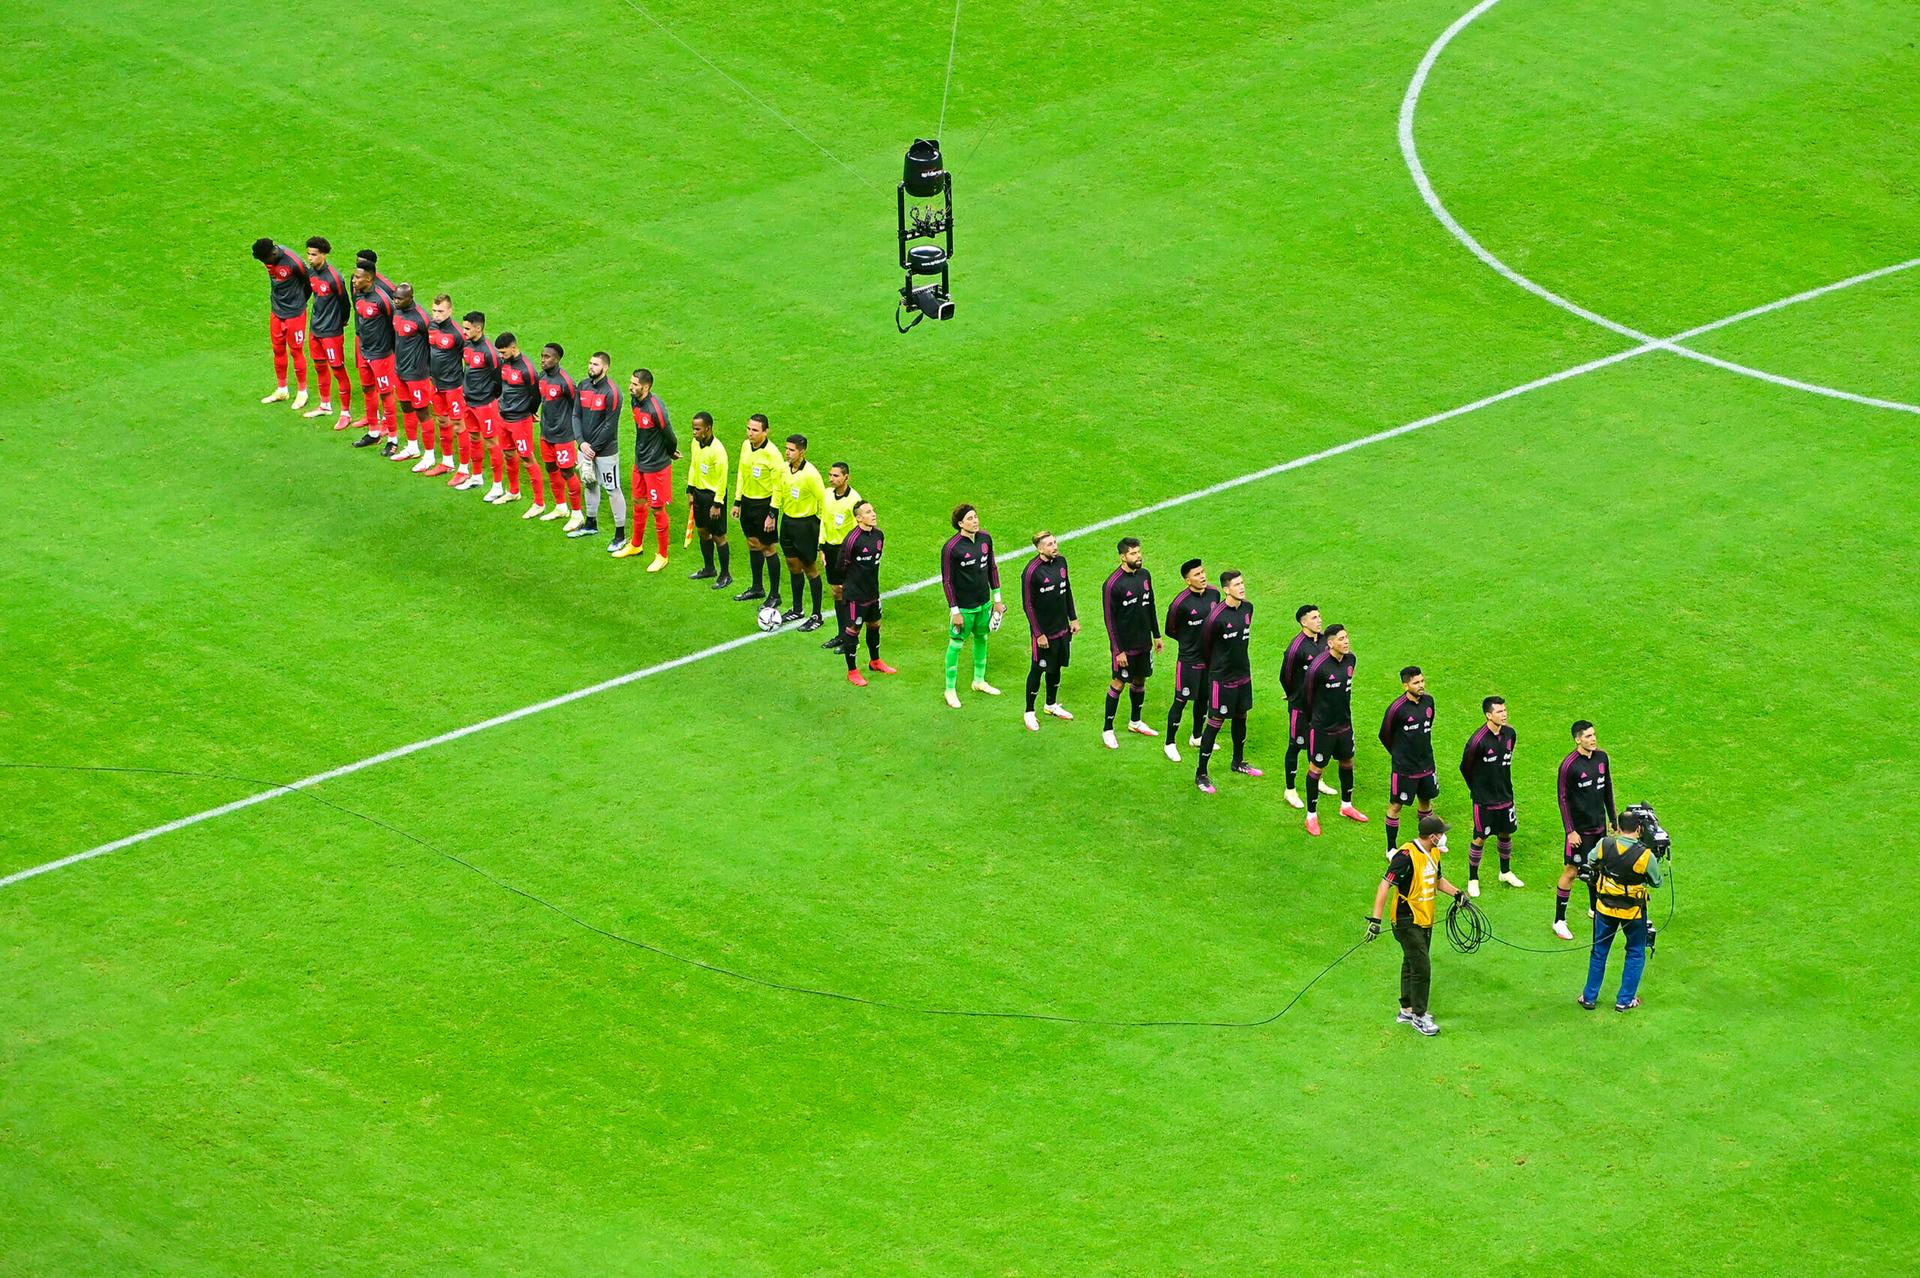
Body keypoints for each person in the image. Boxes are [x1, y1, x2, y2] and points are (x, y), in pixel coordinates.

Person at [1366, 814, 1468, 1037]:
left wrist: (1457, 894)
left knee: (1411, 962)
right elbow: (1384, 885)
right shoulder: (1405, 856)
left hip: (1424, 918)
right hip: (1406, 920)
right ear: (1432, 836)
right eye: (1441, 833)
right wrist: (1375, 920)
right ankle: (1419, 1017)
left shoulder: (1434, 853)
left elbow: (1437, 880)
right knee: (1422, 967)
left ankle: (1407, 1009)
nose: (1443, 837)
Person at [1578, 808, 1661, 1012]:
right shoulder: (1645, 855)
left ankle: (1589, 997)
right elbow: (1657, 882)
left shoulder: (1605, 844)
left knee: (1599, 952)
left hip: (1605, 908)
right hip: (1633, 912)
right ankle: (1624, 1000)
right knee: (1635, 953)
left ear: (1618, 828)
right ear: (1639, 829)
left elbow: (1591, 860)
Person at [1194, 570, 1259, 793]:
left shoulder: (1248, 609)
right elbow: (1205, 648)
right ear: (1226, 589)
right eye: (1237, 584)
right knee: (1215, 721)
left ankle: (1238, 762)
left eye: (1242, 583)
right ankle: (1201, 774)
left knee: (1242, 716)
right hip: (1222, 679)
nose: (1242, 587)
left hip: (1243, 675)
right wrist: (1217, 669)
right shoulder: (1215, 618)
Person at [1301, 624, 1368, 835]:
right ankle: (1311, 816)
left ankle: (1346, 806)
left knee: (1347, 762)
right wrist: (1316, 721)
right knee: (1316, 769)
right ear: (1330, 643)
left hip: (1344, 725)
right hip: (1322, 728)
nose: (1346, 642)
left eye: (1346, 637)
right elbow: (1306, 698)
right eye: (1341, 639)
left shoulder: (1351, 660)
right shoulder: (1318, 667)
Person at [1553, 720, 1616, 940]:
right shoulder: (1569, 765)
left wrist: (1613, 819)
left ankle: (1594, 909)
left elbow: (1607, 789)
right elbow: (1562, 798)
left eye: (1594, 734)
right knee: (1571, 871)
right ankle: (1559, 921)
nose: (1593, 739)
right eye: (1588, 736)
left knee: (1597, 868)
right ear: (1578, 739)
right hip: (1579, 831)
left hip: (1599, 827)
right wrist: (1570, 831)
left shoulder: (1602, 758)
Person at [1099, 536, 1161, 749]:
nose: (1138, 556)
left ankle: (1135, 722)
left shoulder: (1145, 575)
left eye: (1139, 552)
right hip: (1124, 647)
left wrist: (1156, 635)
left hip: (1144, 643)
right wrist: (1118, 651)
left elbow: (1150, 605)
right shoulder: (1112, 584)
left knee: (1140, 680)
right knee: (1118, 683)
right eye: (1133, 553)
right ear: (1123, 557)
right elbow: (1109, 620)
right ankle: (1108, 729)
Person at [940, 504, 1004, 708]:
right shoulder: (951, 548)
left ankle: (979, 680)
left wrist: (997, 600)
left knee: (982, 638)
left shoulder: (985, 538)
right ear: (960, 523)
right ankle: (950, 689)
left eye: (975, 517)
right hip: (964, 608)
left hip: (984, 603)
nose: (975, 521)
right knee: (956, 644)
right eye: (970, 518)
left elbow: (992, 568)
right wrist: (955, 611)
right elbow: (947, 581)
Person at [1459, 696, 1524, 895]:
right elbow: (1465, 768)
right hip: (1484, 800)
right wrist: (1478, 789)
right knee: (1480, 837)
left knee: (1506, 833)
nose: (1504, 714)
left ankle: (1505, 872)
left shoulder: (1510, 734)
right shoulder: (1477, 741)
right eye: (1499, 711)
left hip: (1505, 796)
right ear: (1488, 715)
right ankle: (1473, 878)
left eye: (1505, 710)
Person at [615, 369, 677, 568]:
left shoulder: (655, 409)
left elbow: (670, 436)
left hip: (656, 467)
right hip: (640, 462)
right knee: (638, 502)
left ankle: (663, 555)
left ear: (646, 387)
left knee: (657, 509)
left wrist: (669, 452)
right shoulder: (635, 401)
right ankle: (636, 545)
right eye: (631, 383)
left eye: (635, 384)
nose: (630, 387)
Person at [1019, 530, 1079, 730]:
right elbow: (1028, 605)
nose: (1055, 547)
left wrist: (1073, 618)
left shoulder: (1061, 562)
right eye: (1050, 544)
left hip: (1062, 628)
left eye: (1055, 542)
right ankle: (1029, 712)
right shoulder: (1031, 571)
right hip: (1044, 632)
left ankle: (1051, 705)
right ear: (1039, 549)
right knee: (1038, 669)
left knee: (1057, 666)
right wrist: (1038, 634)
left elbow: (1066, 589)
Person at [1162, 559, 1221, 762]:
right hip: (1188, 660)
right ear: (1188, 580)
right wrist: (1189, 642)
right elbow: (1170, 630)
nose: (1202, 576)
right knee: (1181, 700)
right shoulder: (1180, 603)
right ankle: (1169, 743)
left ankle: (1197, 736)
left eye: (1202, 572)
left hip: (1209, 659)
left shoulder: (1214, 593)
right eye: (1197, 574)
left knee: (1204, 698)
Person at [1379, 666, 1439, 854]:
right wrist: (1399, 754)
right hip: (1405, 769)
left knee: (1426, 803)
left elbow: (1428, 726)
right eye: (1416, 683)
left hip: (1426, 764)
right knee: (1396, 806)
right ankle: (1391, 848)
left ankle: (1427, 843)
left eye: (1422, 681)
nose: (1421, 685)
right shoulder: (1397, 709)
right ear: (1406, 686)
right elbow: (1385, 735)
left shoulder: (1429, 702)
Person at [1280, 604, 1335, 809]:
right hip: (1301, 707)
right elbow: (1285, 676)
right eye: (1314, 618)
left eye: (1319, 616)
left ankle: (1318, 780)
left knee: (1318, 743)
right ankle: (1290, 790)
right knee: (1296, 745)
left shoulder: (1325, 641)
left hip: (1321, 706)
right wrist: (1294, 695)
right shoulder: (1296, 647)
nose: (1319, 620)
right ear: (1303, 622)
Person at [571, 353, 627, 549]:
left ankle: (620, 535)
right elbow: (576, 415)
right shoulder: (583, 385)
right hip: (585, 448)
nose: (591, 367)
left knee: (612, 489)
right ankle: (590, 524)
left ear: (606, 368)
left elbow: (610, 426)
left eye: (596, 364)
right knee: (589, 483)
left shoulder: (612, 392)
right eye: (590, 363)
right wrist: (581, 442)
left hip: (605, 452)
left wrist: (593, 448)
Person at [772, 434, 827, 628]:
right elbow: (778, 489)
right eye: (786, 449)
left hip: (806, 526)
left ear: (802, 452)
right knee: (793, 565)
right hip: (787, 522)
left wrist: (821, 528)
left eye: (792, 450)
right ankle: (797, 610)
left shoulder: (811, 474)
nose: (787, 453)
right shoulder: (784, 469)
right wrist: (772, 512)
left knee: (810, 568)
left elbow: (824, 501)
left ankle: (817, 615)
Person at [838, 501, 896, 685]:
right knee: (853, 630)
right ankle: (852, 671)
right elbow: (841, 565)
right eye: (868, 512)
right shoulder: (852, 540)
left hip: (873, 592)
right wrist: (848, 586)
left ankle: (875, 661)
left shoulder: (879, 535)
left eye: (873, 511)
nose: (873, 514)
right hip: (855, 595)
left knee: (875, 624)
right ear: (858, 518)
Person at [250, 237, 311, 410]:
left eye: (265, 260)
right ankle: (282, 389)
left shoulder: (294, 262)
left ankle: (302, 392)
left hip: (295, 314)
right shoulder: (268, 259)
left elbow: (308, 283)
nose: (265, 264)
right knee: (278, 349)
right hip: (276, 311)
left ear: (273, 253)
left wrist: (299, 303)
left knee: (296, 351)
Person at [729, 414, 783, 602]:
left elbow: (778, 486)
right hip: (747, 502)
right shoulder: (746, 446)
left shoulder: (773, 454)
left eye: (755, 430)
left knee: (768, 548)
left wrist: (772, 514)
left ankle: (775, 594)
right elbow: (741, 474)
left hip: (764, 505)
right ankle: (757, 588)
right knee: (752, 543)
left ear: (766, 432)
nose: (750, 433)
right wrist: (737, 501)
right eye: (748, 429)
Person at [493, 333, 548, 513]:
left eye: (503, 352)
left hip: (519, 421)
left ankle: (539, 503)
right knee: (508, 454)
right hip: (503, 418)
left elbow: (536, 395)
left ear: (514, 348)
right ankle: (513, 491)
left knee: (527, 458)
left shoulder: (527, 369)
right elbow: (500, 386)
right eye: (499, 352)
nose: (500, 355)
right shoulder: (503, 363)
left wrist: (530, 412)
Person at [301, 237, 351, 428]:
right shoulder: (311, 273)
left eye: (314, 255)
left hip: (331, 332)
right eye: (308, 254)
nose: (310, 258)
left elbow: (345, 303)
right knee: (320, 366)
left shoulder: (334, 278)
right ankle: (325, 405)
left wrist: (341, 322)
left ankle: (345, 413)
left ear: (324, 255)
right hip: (315, 329)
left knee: (338, 369)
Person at [348, 262, 397, 451]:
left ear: (369, 278)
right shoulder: (358, 294)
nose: (354, 280)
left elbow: (394, 324)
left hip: (381, 355)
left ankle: (392, 438)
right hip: (364, 352)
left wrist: (391, 350)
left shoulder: (382, 299)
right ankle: (373, 433)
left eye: (357, 277)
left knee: (386, 394)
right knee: (367, 390)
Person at [536, 343, 584, 530]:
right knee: (550, 468)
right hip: (546, 433)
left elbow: (577, 408)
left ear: (557, 359)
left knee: (567, 472)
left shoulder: (566, 382)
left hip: (563, 435)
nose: (543, 360)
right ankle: (560, 507)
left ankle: (577, 514)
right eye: (542, 356)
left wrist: (578, 434)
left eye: (547, 357)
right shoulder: (542, 377)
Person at [457, 311, 504, 495]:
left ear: (478, 328)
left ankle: (498, 486)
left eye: (467, 328)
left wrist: (489, 397)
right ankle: (476, 477)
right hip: (469, 402)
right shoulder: (467, 345)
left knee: (491, 442)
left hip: (485, 405)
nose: (464, 331)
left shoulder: (489, 352)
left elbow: (499, 379)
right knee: (474, 438)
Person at [387, 283, 434, 466]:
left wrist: (429, 370)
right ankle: (412, 446)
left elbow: (433, 345)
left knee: (422, 412)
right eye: (395, 297)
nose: (395, 301)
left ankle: (429, 455)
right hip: (400, 371)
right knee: (406, 407)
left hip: (417, 374)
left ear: (410, 298)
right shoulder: (397, 312)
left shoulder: (422, 318)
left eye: (400, 298)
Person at [684, 412, 731, 586]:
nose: (694, 432)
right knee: (702, 531)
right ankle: (709, 568)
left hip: (713, 497)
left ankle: (725, 575)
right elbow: (694, 466)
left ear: (708, 429)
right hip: (698, 494)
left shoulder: (718, 451)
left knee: (718, 536)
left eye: (697, 429)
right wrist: (690, 490)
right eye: (693, 428)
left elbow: (722, 480)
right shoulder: (695, 444)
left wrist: (717, 504)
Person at [422, 293, 464, 478]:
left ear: (450, 311)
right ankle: (447, 462)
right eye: (434, 310)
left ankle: (464, 469)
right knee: (442, 421)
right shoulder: (431, 327)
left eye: (440, 311)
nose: (436, 315)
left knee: (459, 425)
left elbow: (468, 360)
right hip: (436, 384)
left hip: (454, 386)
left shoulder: (457, 333)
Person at [819, 462, 860, 644]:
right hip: (830, 549)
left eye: (836, 476)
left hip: (846, 552)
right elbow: (823, 521)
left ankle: (851, 638)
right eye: (830, 475)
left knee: (847, 593)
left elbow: (858, 530)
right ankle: (841, 635)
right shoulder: (827, 494)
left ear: (846, 477)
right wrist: (821, 547)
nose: (831, 479)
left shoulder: (854, 500)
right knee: (836, 592)